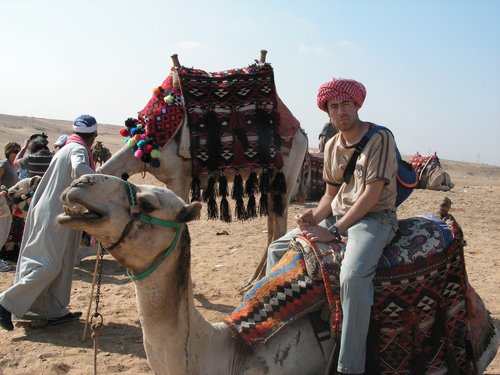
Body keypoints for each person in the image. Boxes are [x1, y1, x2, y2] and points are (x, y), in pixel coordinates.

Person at [266, 78, 398, 375]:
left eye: (346, 105)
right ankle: (275, 331)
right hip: (337, 215)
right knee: (277, 249)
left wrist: (334, 231)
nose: (341, 112)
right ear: (327, 112)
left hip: (374, 218)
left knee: (352, 276)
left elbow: (372, 193)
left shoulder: (380, 138)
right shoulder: (333, 145)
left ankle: (349, 366)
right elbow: (330, 195)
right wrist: (313, 215)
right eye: (334, 106)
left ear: (357, 106)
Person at [0, 115, 99, 331]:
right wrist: (104, 184)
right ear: (93, 136)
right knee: (49, 265)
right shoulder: (78, 150)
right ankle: (5, 303)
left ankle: (53, 311)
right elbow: (80, 169)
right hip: (54, 214)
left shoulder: (65, 147)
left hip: (62, 213)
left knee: (64, 264)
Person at [0, 143, 21, 272]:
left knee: (4, 234)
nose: (17, 153)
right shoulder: (4, 165)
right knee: (1, 232)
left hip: (9, 205)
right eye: (15, 151)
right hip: (1, 203)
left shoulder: (13, 167)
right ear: (9, 152)